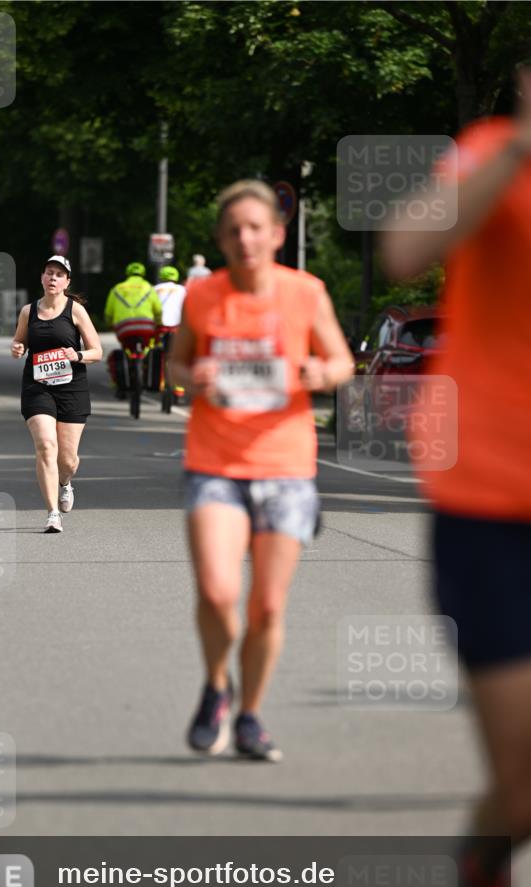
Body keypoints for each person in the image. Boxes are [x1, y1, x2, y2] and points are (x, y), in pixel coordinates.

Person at [381, 62, 531, 887]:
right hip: (492, 507)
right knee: (522, 785)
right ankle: (483, 870)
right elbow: (402, 253)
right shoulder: (491, 157)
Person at [169, 180, 353, 761]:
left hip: (287, 468)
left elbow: (342, 360)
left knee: (267, 606)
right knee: (219, 592)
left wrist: (321, 375)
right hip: (215, 463)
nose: (245, 238)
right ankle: (216, 685)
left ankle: (249, 715)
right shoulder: (204, 296)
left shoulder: (306, 293)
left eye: (256, 228)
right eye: (233, 230)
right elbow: (176, 362)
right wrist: (186, 377)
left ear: (277, 233)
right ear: (221, 240)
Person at [11, 255, 103, 533]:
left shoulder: (75, 311)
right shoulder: (29, 311)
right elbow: (20, 341)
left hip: (72, 387)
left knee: (67, 459)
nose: (53, 278)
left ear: (67, 282)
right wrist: (17, 348)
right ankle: (52, 513)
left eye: (59, 274)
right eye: (49, 272)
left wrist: (76, 354)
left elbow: (97, 351)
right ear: (42, 278)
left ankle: (65, 482)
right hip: (37, 386)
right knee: (46, 446)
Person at [104, 262, 162, 398]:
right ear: (143, 274)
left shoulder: (117, 288)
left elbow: (108, 313)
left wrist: (109, 324)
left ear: (127, 274)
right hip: (146, 327)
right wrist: (158, 324)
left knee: (126, 349)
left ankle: (122, 384)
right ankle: (145, 366)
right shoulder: (149, 288)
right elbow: (158, 310)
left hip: (124, 328)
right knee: (148, 348)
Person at [154, 265, 187, 401]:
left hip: (160, 327)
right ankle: (179, 389)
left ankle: (158, 382)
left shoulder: (155, 289)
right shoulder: (183, 289)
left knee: (157, 352)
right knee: (179, 355)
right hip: (177, 328)